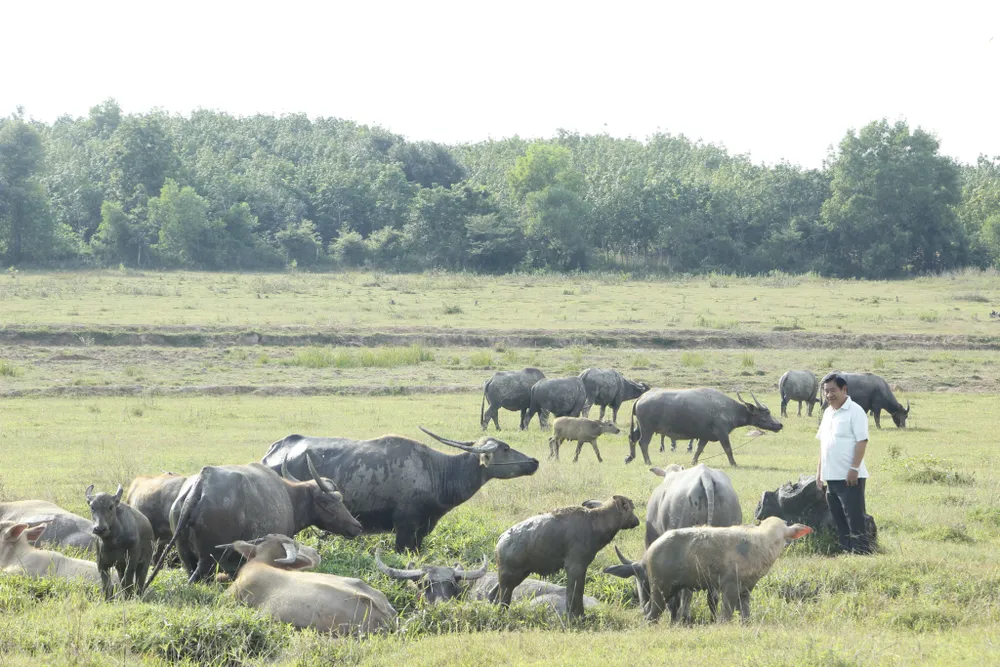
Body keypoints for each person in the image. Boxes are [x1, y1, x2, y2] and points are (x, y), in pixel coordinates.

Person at [815, 372, 873, 554]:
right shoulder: (827, 413)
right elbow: (823, 445)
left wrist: (854, 469)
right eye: (826, 391)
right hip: (830, 476)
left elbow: (861, 441)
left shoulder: (855, 411)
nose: (829, 395)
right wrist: (819, 473)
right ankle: (847, 551)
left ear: (844, 389)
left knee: (854, 518)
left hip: (850, 477)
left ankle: (862, 552)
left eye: (833, 390)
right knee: (838, 518)